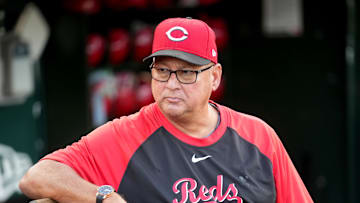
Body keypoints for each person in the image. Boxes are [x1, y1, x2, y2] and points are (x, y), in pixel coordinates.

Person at [19, 17, 313, 203]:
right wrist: (103, 197)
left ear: (215, 76)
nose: (171, 84)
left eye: (186, 72)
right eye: (162, 71)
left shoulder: (257, 136)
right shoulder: (125, 135)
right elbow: (37, 177)